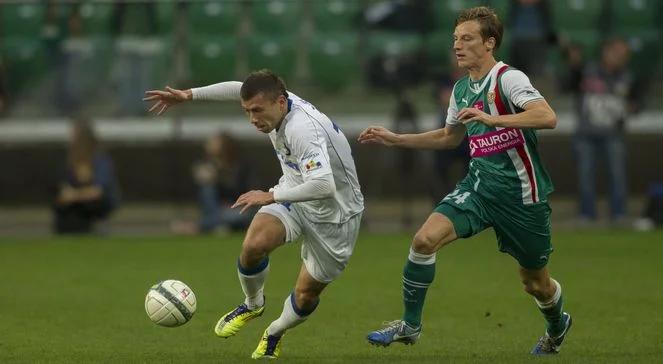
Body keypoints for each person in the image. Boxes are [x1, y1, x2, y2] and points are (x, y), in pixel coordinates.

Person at [359, 7, 571, 355]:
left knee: (535, 284)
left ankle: (557, 324)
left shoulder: (508, 79)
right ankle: (410, 325)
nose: (458, 46)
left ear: (489, 43)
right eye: (456, 39)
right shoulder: (460, 89)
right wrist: (397, 138)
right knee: (424, 240)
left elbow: (547, 117)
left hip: (521, 195)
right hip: (478, 187)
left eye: (467, 38)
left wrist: (492, 118)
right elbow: (448, 137)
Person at [144, 70, 364, 359]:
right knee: (253, 245)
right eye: (247, 111)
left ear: (281, 102)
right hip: (296, 194)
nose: (252, 119)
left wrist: (271, 195)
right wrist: (188, 95)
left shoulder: (303, 129)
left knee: (306, 295)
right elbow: (238, 88)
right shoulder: (277, 101)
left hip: (336, 216)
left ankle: (274, 332)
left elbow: (324, 185)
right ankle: (252, 304)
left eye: (257, 111)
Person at [565, 38, 639, 223]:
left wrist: (632, 107)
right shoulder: (587, 72)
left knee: (617, 175)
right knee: (585, 176)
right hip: (586, 134)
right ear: (606, 51)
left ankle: (618, 214)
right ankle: (587, 214)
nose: (619, 57)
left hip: (613, 134)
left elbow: (637, 103)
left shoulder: (628, 77)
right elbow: (568, 84)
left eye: (623, 55)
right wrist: (573, 63)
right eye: (616, 52)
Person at [171, 132, 257, 234]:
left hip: (236, 207)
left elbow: (248, 190)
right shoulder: (206, 164)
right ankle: (220, 225)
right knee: (207, 187)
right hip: (216, 209)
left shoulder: (240, 167)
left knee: (242, 216)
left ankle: (199, 226)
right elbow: (202, 186)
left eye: (214, 142)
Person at [53, 119, 120, 234]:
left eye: (73, 134)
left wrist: (75, 195)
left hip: (96, 202)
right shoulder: (70, 160)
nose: (70, 138)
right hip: (78, 200)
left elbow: (98, 191)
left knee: (91, 204)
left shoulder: (100, 159)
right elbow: (64, 185)